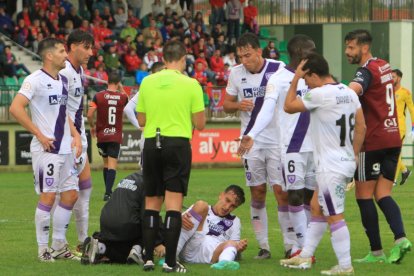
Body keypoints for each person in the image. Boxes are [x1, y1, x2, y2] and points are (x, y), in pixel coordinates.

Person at [279, 53, 366, 275]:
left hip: (330, 166)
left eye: (306, 78)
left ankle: (345, 266)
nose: (305, 83)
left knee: (334, 214)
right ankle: (305, 256)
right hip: (343, 161)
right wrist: (353, 155)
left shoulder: (319, 94)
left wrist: (295, 78)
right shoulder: (348, 91)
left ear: (314, 75)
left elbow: (288, 106)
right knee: (317, 208)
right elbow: (362, 127)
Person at [237, 34, 317, 258]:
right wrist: (251, 133)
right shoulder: (279, 79)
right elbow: (267, 109)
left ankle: (303, 246)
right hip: (291, 147)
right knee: (292, 196)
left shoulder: (315, 75)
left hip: (316, 146)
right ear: (301, 53)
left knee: (310, 199)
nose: (315, 55)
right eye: (311, 51)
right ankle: (298, 248)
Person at [9, 38, 82, 262]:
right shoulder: (34, 80)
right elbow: (15, 108)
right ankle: (43, 250)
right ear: (49, 56)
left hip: (66, 148)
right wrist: (39, 134)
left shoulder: (62, 80)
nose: (65, 54)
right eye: (61, 51)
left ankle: (59, 246)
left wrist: (76, 134)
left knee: (71, 195)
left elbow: (64, 112)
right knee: (48, 196)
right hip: (48, 148)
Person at [136, 40, 206, 273]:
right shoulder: (192, 84)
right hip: (177, 143)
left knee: (152, 202)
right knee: (173, 205)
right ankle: (169, 262)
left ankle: (147, 258)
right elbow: (201, 124)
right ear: (183, 59)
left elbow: (142, 120)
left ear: (163, 59)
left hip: (151, 142)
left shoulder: (147, 81)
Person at [344, 29, 412, 264]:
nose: (347, 52)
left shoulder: (365, 71)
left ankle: (376, 253)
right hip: (393, 139)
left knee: (363, 196)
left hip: (372, 140)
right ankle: (401, 239)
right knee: (383, 194)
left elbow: (352, 90)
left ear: (364, 48)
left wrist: (329, 93)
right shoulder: (384, 65)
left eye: (351, 47)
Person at [223, 32, 285, 259]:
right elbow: (226, 105)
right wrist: (239, 104)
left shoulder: (279, 68)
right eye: (240, 56)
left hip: (277, 139)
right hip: (250, 141)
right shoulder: (236, 73)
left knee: (281, 192)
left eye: (248, 55)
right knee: (258, 192)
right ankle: (264, 246)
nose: (244, 61)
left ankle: (290, 245)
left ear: (259, 51)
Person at [59, 29, 94, 254]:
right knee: (65, 194)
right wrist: (73, 136)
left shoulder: (78, 70)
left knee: (85, 189)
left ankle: (83, 241)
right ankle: (57, 243)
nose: (91, 52)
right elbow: (60, 108)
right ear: (72, 46)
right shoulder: (63, 71)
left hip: (78, 136)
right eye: (86, 47)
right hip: (68, 138)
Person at [81, 171, 165, 265]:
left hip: (105, 222)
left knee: (118, 244)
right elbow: (149, 216)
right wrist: (158, 242)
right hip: (127, 224)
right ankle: (137, 250)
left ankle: (101, 246)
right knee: (148, 228)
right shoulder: (154, 183)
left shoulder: (131, 176)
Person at [176, 185, 247, 270]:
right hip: (189, 247)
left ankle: (224, 263)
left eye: (233, 206)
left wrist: (239, 248)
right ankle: (172, 256)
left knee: (232, 243)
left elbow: (234, 248)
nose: (227, 207)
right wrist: (180, 220)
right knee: (201, 205)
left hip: (211, 255)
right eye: (227, 200)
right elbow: (176, 225)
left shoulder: (234, 221)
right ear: (221, 195)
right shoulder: (203, 209)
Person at [87, 73, 129, 201]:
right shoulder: (122, 97)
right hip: (115, 135)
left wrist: (92, 126)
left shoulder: (98, 96)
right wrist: (121, 89)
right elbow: (129, 100)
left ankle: (107, 191)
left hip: (102, 135)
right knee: (112, 164)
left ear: (107, 81)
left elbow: (89, 114)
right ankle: (108, 192)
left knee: (106, 163)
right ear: (118, 83)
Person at [392, 69, 414, 185]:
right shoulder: (388, 92)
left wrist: (413, 128)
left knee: (396, 152)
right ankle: (404, 170)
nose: (391, 79)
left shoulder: (405, 92)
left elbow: (412, 110)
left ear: (399, 78)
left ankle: (393, 179)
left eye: (394, 77)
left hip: (400, 127)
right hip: (390, 126)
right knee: (390, 152)